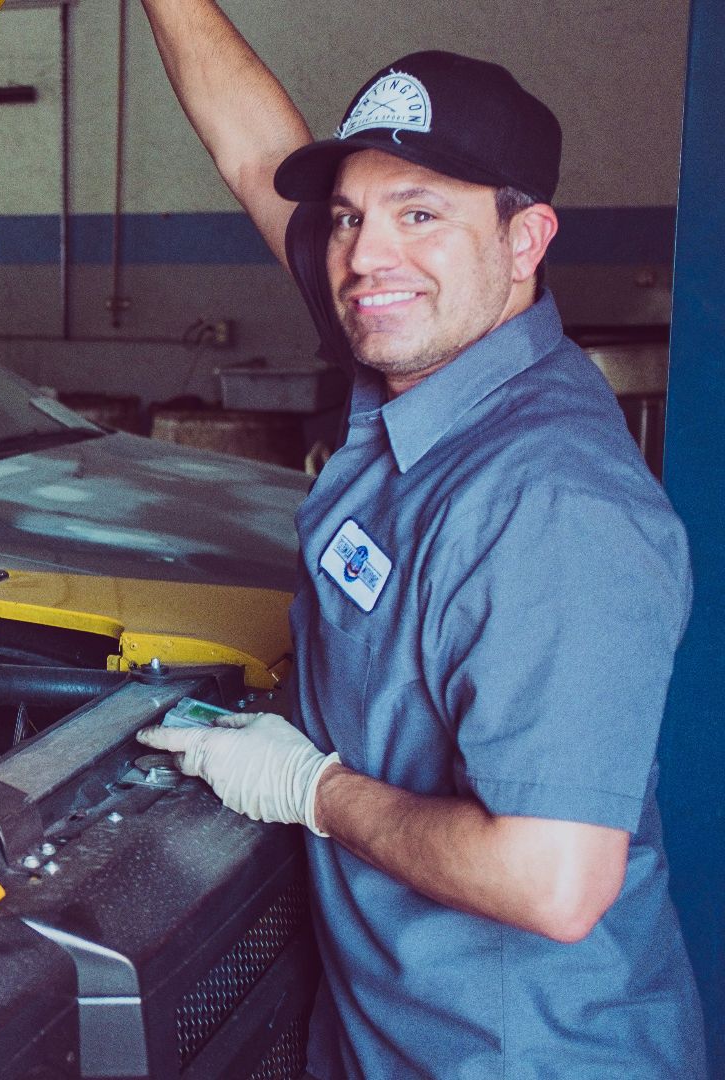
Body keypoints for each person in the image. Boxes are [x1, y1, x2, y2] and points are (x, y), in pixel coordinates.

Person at [130, 4, 707, 1078]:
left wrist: (311, 789)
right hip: (391, 1040)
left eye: (421, 213)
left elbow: (554, 881)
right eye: (349, 218)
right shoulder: (426, 356)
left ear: (525, 241)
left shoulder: (552, 506)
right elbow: (256, 157)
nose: (366, 257)